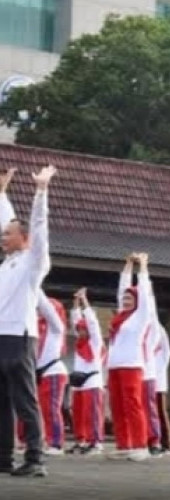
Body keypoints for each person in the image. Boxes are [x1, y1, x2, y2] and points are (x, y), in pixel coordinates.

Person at [0, 166, 55, 477]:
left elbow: (38, 227)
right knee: (1, 403)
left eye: (7, 234)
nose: (2, 238)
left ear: (24, 238)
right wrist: (2, 194)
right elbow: (7, 221)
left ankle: (35, 458)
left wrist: (41, 191)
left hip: (20, 339)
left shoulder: (34, 263)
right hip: (0, 336)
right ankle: (3, 457)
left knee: (25, 401)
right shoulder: (5, 266)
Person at [106, 253, 152, 462]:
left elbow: (144, 291)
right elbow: (121, 287)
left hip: (132, 365)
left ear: (137, 301)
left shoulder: (141, 316)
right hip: (114, 365)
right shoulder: (119, 317)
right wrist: (127, 265)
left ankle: (141, 445)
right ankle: (124, 444)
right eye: (124, 298)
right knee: (117, 406)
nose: (125, 301)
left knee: (133, 405)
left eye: (129, 298)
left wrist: (142, 266)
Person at [68, 287, 105, 455]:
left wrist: (84, 300)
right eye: (79, 329)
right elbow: (75, 319)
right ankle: (80, 440)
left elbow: (93, 323)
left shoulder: (95, 342)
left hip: (92, 381)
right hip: (78, 382)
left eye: (83, 329)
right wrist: (75, 302)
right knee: (78, 413)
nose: (81, 331)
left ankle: (95, 442)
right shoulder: (79, 343)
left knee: (92, 413)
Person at [35, 292, 69, 455]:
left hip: (53, 371)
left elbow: (49, 311)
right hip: (39, 372)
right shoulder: (37, 327)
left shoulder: (57, 328)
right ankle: (39, 440)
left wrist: (35, 286)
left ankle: (56, 443)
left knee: (51, 409)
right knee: (38, 409)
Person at [141, 285, 163, 457]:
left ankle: (154, 441)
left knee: (149, 409)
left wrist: (148, 293)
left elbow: (152, 315)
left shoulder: (152, 334)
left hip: (147, 375)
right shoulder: (132, 330)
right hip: (132, 373)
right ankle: (139, 439)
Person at [154, 319, 170, 455]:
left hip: (158, 379)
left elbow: (168, 352)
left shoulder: (159, 330)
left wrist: (161, 370)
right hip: (146, 378)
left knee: (160, 412)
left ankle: (165, 444)